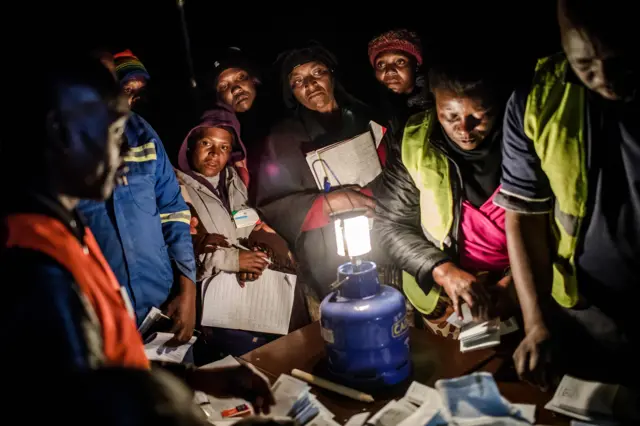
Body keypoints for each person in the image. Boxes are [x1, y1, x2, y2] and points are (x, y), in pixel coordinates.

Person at [0, 52, 279, 419]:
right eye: (114, 132)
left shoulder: (65, 229)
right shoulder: (35, 267)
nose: (125, 152)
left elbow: (112, 370)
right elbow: (91, 404)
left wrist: (197, 382)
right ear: (59, 131)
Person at [494, 0, 640, 387]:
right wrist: (536, 321)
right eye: (585, 64)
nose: (605, 77)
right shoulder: (537, 100)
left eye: (618, 59)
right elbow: (524, 216)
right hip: (584, 313)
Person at [375, 60, 514, 339]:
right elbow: (390, 226)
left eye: (479, 115)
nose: (464, 128)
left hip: (526, 283)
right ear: (434, 104)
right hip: (444, 297)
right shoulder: (414, 142)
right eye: (449, 116)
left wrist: (516, 283)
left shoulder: (524, 139)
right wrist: (442, 270)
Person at [77, 51, 197, 343]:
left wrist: (188, 292)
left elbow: (173, 211)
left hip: (162, 305)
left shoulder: (141, 132)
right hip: (101, 320)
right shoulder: (59, 145)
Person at [255, 44, 385, 301]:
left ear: (332, 75)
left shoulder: (366, 117)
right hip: (327, 248)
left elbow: (395, 172)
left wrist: (372, 197)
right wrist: (330, 203)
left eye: (317, 72)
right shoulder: (283, 138)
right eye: (298, 81)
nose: (311, 84)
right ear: (291, 92)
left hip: (384, 229)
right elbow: (274, 203)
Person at [176, 108, 275, 357]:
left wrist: (254, 253)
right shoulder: (176, 188)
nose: (214, 154)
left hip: (248, 296)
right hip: (211, 303)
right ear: (191, 146)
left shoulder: (233, 180)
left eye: (223, 147)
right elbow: (182, 245)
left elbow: (246, 222)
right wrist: (232, 260)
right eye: (207, 143)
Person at [202, 47, 276, 187]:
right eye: (224, 86)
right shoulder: (222, 137)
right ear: (219, 97)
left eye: (241, 77)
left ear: (254, 80)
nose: (236, 89)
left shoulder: (285, 115)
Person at [368, 29, 431, 140]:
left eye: (400, 61)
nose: (389, 71)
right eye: (381, 64)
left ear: (415, 65)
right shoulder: (373, 110)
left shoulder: (435, 105)